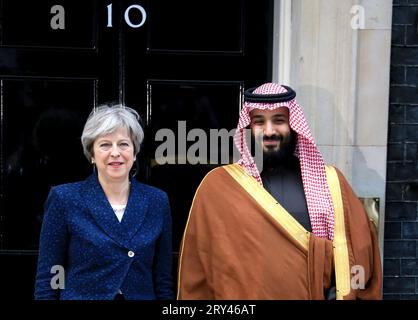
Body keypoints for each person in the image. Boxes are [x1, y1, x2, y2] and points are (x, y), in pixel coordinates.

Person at [177, 83, 382, 300]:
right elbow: (198, 267)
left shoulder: (331, 182)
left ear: (294, 125)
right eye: (259, 122)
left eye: (279, 120)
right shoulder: (218, 187)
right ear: (248, 129)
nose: (269, 131)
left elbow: (357, 252)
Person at [34, 104, 173, 300]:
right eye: (105, 144)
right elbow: (50, 276)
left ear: (134, 153)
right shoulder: (65, 199)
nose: (115, 152)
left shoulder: (157, 201)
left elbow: (163, 278)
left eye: (123, 144)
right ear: (92, 154)